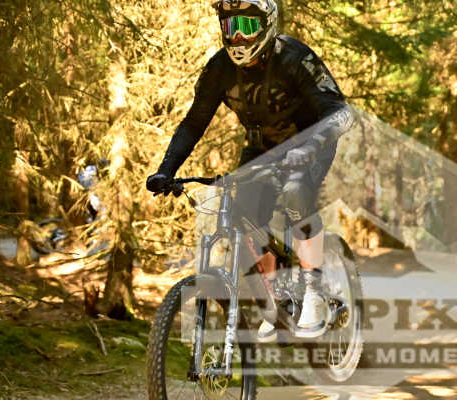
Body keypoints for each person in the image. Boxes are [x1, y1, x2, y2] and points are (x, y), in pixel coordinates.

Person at [145, 0, 353, 342]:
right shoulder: (220, 68)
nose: (239, 37)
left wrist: (310, 147)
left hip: (310, 142)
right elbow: (194, 122)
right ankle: (275, 302)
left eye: (247, 26)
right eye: (231, 26)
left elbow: (340, 112)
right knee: (244, 216)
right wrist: (165, 170)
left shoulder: (294, 57)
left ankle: (314, 291)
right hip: (262, 148)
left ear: (266, 24)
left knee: (295, 193)